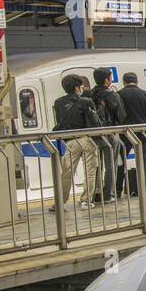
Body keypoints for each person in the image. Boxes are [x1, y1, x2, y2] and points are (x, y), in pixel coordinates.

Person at [50, 74, 101, 210]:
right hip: (86, 139)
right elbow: (94, 120)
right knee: (90, 171)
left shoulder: (58, 102)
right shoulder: (86, 101)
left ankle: (60, 202)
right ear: (77, 87)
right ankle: (86, 200)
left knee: (66, 173)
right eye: (81, 86)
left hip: (70, 141)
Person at [88, 68, 124, 203]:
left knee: (95, 165)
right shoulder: (113, 96)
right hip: (109, 134)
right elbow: (121, 116)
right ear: (106, 80)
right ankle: (108, 194)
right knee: (111, 165)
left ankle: (95, 193)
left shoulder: (88, 94)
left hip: (92, 135)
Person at [119, 72, 146, 196]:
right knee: (142, 160)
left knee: (120, 161)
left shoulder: (119, 94)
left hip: (125, 133)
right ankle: (142, 188)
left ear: (124, 82)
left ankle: (118, 189)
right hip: (142, 132)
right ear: (137, 81)